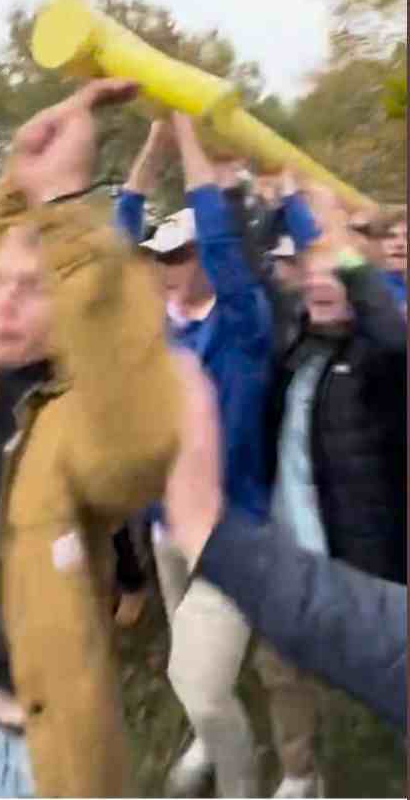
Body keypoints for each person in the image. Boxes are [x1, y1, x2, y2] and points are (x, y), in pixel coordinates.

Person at [0, 79, 184, 798]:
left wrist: (62, 209)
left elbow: (142, 450)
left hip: (32, 754)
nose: (2, 304)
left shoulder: (88, 412)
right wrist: (25, 172)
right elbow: (9, 256)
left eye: (33, 289)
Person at [118, 117, 275, 798]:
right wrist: (152, 150)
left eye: (182, 254)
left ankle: (241, 779)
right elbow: (115, 246)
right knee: (194, 667)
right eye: (162, 257)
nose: (167, 267)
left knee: (202, 682)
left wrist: (188, 137)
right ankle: (207, 744)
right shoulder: (150, 331)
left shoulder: (242, 326)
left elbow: (219, 233)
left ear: (209, 257)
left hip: (233, 531)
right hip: (165, 529)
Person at [248, 200, 408, 796]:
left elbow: (393, 336)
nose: (318, 282)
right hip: (292, 553)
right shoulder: (294, 347)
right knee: (280, 670)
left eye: (334, 275)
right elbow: (249, 273)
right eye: (311, 272)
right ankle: (299, 774)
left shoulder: (381, 362)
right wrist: (271, 206)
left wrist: (349, 256)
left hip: (367, 562)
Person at [161, 349, 406, 735]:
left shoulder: (375, 348)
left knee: (284, 672)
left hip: (327, 560)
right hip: (279, 544)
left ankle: (300, 773)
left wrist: (215, 535)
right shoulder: (298, 352)